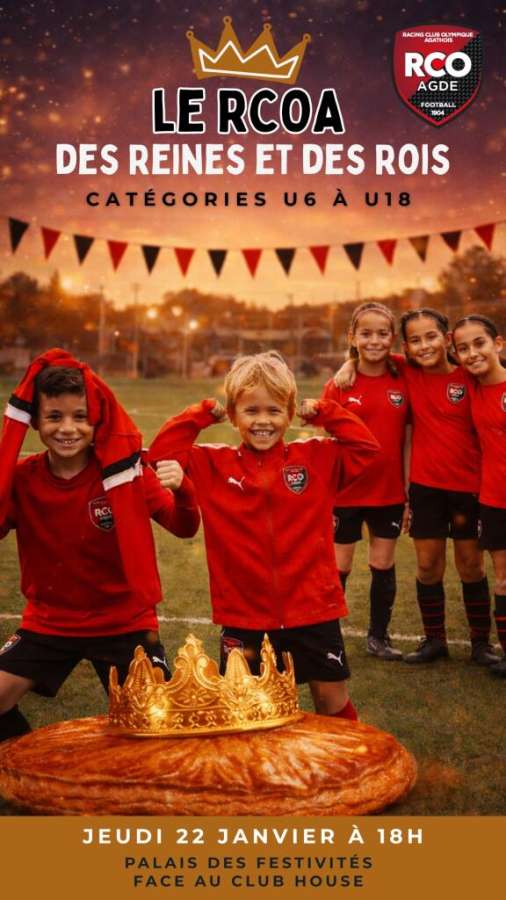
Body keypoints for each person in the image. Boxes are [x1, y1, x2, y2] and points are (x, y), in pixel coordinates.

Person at [149, 351, 379, 720]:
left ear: (289, 414)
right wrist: (200, 414)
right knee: (246, 712)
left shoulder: (316, 457)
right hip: (243, 616)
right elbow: (159, 455)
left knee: (330, 700)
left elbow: (367, 448)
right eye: (250, 411)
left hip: (313, 609)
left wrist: (325, 412)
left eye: (274, 411)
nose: (262, 421)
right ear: (233, 414)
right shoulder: (212, 464)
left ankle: (350, 757)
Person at [0, 349, 200, 743]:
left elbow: (183, 527)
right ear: (35, 421)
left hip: (124, 621)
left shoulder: (125, 473)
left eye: (80, 417)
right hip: (50, 621)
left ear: (97, 420)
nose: (67, 428)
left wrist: (184, 491)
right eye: (54, 417)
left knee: (162, 725)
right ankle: (30, 761)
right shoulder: (22, 478)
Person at [334, 308, 499, 667]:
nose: (424, 346)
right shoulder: (406, 371)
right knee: (427, 565)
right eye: (415, 340)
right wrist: (348, 363)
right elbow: (370, 354)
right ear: (405, 347)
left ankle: (480, 643)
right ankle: (434, 640)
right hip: (425, 488)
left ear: (447, 339)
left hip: (469, 487)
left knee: (471, 565)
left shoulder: (468, 374)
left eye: (431, 337)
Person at [321, 302, 410, 661]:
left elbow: (408, 438)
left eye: (383, 333)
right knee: (339, 566)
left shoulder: (404, 374)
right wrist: (349, 364)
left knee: (383, 564)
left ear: (393, 337)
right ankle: (328, 638)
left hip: (388, 491)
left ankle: (378, 637)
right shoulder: (338, 385)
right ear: (352, 337)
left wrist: (408, 489)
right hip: (346, 492)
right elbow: (326, 445)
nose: (375, 340)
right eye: (366, 333)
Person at [452, 314, 506, 677]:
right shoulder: (470, 388)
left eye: (479, 343)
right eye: (463, 348)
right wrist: (350, 361)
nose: (472, 353)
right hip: (494, 499)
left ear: (498, 344)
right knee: (503, 579)